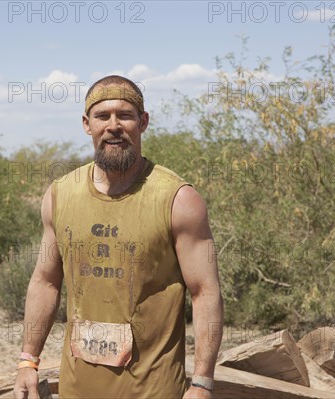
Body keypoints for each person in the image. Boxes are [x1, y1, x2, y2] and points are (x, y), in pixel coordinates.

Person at [14, 75, 223, 399]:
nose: (114, 125)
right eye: (102, 116)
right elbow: (45, 281)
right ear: (87, 124)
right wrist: (28, 360)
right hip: (77, 390)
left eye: (125, 115)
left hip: (155, 391)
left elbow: (204, 292)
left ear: (143, 122)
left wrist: (202, 382)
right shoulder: (60, 195)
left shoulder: (178, 200)